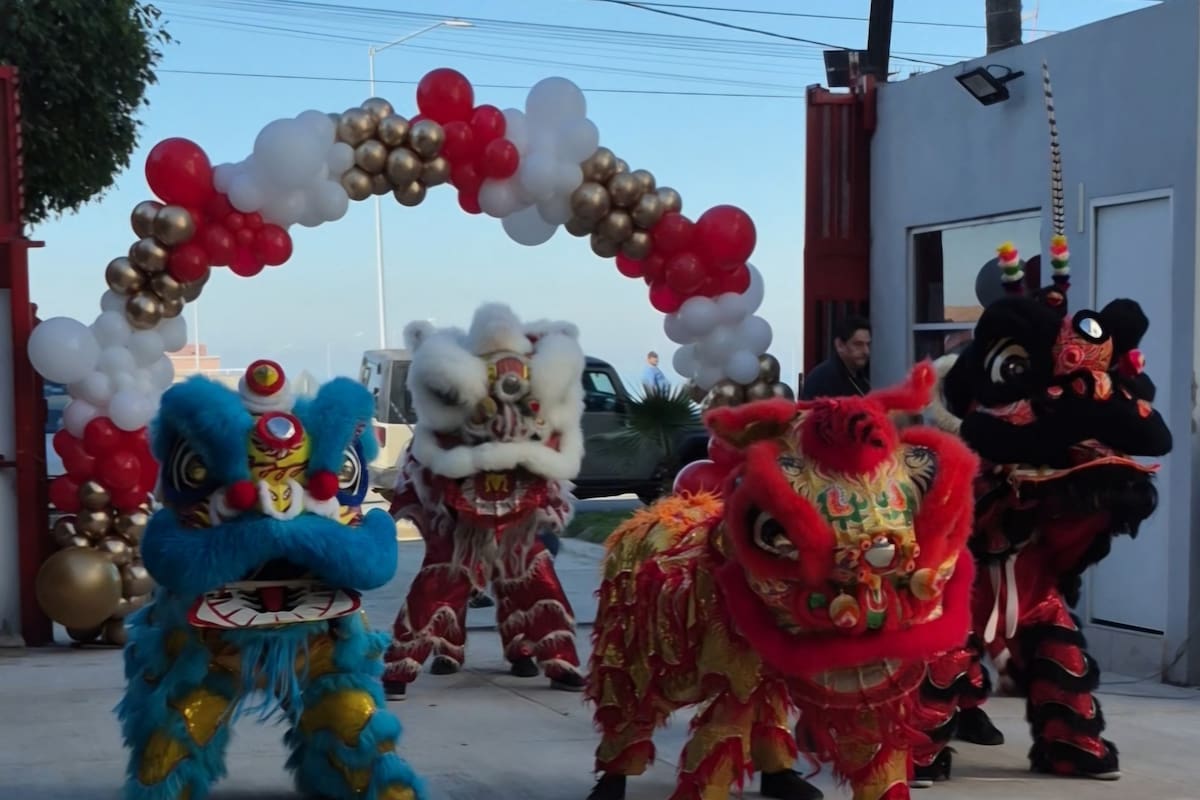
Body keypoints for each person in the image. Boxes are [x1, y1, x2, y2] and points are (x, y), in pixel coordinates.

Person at [800, 315, 871, 399]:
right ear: (840, 345)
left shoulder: (863, 378)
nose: (866, 351)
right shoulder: (823, 379)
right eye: (858, 344)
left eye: (868, 344)